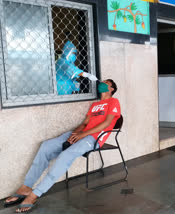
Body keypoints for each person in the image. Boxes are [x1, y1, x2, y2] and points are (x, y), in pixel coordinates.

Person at [4, 79, 121, 213]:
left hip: (94, 138)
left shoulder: (113, 102)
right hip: (82, 133)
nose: (101, 83)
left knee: (65, 155)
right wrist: (76, 133)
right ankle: (26, 187)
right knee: (46, 146)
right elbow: (84, 123)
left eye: (106, 82)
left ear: (111, 89)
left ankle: (35, 194)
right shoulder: (95, 104)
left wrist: (83, 135)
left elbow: (107, 123)